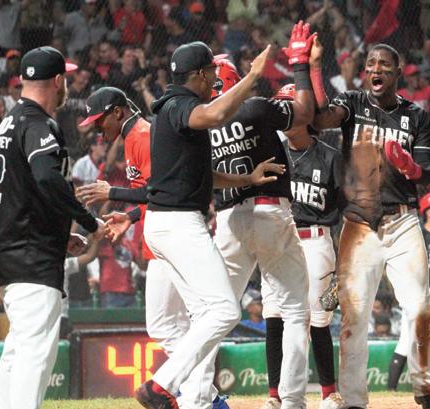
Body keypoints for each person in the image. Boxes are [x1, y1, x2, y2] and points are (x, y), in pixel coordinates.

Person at [136, 39, 286, 409]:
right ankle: (160, 386)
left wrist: (247, 179)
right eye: (212, 74)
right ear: (202, 75)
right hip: (178, 224)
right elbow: (216, 114)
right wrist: (252, 76)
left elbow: (205, 175)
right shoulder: (178, 105)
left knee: (206, 314)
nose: (215, 81)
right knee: (225, 310)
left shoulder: (172, 109)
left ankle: (198, 399)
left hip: (166, 224)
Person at [312, 43, 430, 409]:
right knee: (353, 317)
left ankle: (426, 390)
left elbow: (425, 173)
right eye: (371, 63)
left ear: (397, 71)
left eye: (384, 64)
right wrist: (313, 67)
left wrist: (408, 167)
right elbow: (321, 119)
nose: (376, 69)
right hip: (359, 227)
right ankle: (354, 400)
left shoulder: (416, 116)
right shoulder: (353, 103)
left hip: (403, 222)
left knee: (419, 309)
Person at [0, 46, 104, 409]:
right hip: (30, 254)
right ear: (58, 80)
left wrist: (60, 233)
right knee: (35, 354)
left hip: (12, 246)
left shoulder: (10, 122)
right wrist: (89, 221)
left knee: (19, 348)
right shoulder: (37, 123)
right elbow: (48, 179)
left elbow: (23, 191)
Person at [209, 22, 318, 408]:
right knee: (295, 310)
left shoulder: (201, 123)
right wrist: (300, 64)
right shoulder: (254, 106)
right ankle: (292, 401)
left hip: (228, 221)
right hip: (270, 212)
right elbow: (304, 113)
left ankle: (198, 396)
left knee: (214, 313)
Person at [261, 80, 344, 409]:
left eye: (288, 107)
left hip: (316, 241)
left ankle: (328, 392)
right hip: (278, 241)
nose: (282, 114)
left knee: (318, 320)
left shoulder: (330, 157)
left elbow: (346, 210)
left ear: (305, 113)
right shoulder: (270, 153)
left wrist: (344, 259)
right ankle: (274, 395)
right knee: (274, 316)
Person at [388, 191, 430, 392]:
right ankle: (390, 391)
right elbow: (409, 270)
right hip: (421, 296)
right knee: (407, 341)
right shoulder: (419, 237)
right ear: (429, 212)